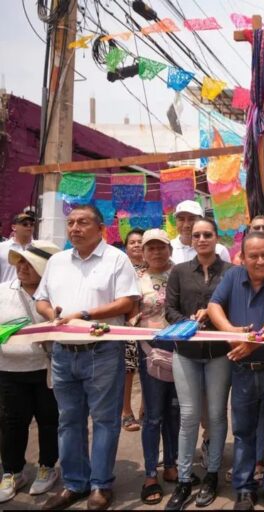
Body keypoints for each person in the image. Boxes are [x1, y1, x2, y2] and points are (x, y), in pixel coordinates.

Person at [36, 205, 140, 510]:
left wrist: (85, 314)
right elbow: (41, 298)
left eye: (82, 222)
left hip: (102, 352)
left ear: (100, 228)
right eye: (70, 223)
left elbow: (127, 301)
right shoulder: (57, 261)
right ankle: (74, 484)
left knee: (105, 420)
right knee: (69, 421)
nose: (74, 228)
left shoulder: (116, 259)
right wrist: (49, 313)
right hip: (63, 352)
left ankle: (100, 485)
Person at [208, 231, 264, 511]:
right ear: (242, 257)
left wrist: (249, 343)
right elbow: (213, 306)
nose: (260, 260)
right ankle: (244, 489)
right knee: (244, 430)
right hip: (243, 371)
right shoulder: (233, 276)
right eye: (254, 256)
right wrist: (231, 332)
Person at [164, 218, 232, 510]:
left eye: (207, 234)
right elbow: (169, 308)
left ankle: (212, 474)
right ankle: (183, 479)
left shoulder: (232, 272)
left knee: (216, 415)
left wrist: (215, 318)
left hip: (219, 352)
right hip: (185, 351)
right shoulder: (178, 271)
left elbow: (236, 305)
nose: (202, 239)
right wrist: (188, 323)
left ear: (217, 238)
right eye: (196, 235)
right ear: (191, 240)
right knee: (189, 416)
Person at [0, 241, 61, 503]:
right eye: (20, 261)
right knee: (12, 423)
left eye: (30, 263)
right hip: (9, 370)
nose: (22, 267)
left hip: (45, 370)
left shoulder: (56, 295)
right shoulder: (3, 291)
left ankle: (48, 466)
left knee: (49, 420)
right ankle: (12, 471)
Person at [129, 229, 180, 506]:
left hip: (181, 351)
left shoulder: (182, 274)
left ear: (169, 249)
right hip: (149, 351)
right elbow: (128, 313)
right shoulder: (135, 279)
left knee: (175, 411)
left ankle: (171, 464)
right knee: (152, 415)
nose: (156, 252)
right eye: (151, 248)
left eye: (161, 247)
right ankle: (150, 473)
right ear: (143, 252)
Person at [122, 229, 145, 433]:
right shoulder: (120, 268)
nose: (136, 245)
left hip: (148, 326)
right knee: (127, 370)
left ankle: (145, 409)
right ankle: (126, 412)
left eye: (140, 241)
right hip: (125, 326)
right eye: (132, 242)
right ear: (126, 246)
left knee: (149, 367)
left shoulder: (154, 268)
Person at [0, 211, 36, 283]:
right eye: (24, 224)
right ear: (14, 227)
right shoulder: (2, 247)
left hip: (29, 292)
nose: (29, 226)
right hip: (6, 291)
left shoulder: (38, 248)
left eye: (31, 224)